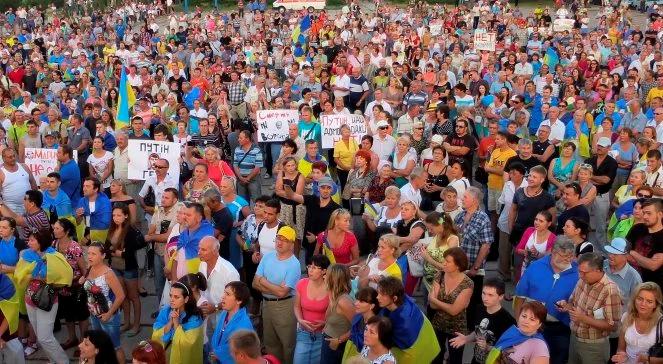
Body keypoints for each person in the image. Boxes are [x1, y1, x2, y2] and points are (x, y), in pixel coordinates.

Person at [515, 238, 579, 364]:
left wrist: (569, 305)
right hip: (533, 325)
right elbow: (520, 296)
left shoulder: (578, 273)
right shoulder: (535, 266)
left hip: (561, 328)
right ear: (553, 253)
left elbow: (582, 302)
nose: (568, 259)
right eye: (564, 256)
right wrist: (519, 322)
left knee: (557, 359)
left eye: (571, 256)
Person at [14, 229, 72, 364]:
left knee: (45, 337)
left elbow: (64, 276)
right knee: (41, 337)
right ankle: (52, 361)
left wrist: (37, 276)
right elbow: (19, 275)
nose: (29, 243)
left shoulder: (55, 256)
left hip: (47, 301)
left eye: (33, 240)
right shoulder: (26, 255)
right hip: (30, 299)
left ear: (41, 241)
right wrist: (39, 276)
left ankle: (63, 362)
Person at [558, 252, 622, 364]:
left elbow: (613, 325)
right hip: (574, 339)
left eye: (584, 273)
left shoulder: (610, 291)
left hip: (594, 347)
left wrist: (583, 318)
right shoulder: (582, 281)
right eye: (579, 271)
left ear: (598, 270)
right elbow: (573, 304)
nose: (580, 275)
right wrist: (566, 306)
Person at [252, 225, 301, 364]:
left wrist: (264, 282)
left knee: (287, 344)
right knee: (270, 343)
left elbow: (282, 292)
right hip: (267, 304)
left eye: (284, 240)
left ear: (292, 244)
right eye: (278, 238)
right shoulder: (267, 257)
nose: (279, 242)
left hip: (285, 306)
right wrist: (275, 288)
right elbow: (255, 283)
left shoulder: (294, 264)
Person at [449, 278, 516, 364]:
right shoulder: (479, 309)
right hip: (476, 359)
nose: (485, 298)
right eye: (483, 293)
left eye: (490, 295)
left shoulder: (508, 321)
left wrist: (488, 347)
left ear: (501, 297)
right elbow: (478, 331)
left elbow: (511, 350)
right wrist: (466, 338)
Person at [375, 276, 440, 364]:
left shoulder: (404, 323)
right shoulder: (400, 297)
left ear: (394, 298)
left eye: (382, 294)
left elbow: (391, 343)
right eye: (378, 293)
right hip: (428, 341)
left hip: (418, 351)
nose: (377, 297)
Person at [454, 186, 493, 328]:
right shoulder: (460, 215)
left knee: (474, 300)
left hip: (473, 269)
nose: (461, 200)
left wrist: (475, 267)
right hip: (458, 267)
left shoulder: (483, 218)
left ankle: (472, 328)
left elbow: (486, 245)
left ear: (475, 200)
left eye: (465, 197)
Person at [82, 242, 126, 364]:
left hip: (109, 315)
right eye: (88, 253)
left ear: (103, 256)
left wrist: (108, 314)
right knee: (98, 345)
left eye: (94, 254)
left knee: (115, 346)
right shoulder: (89, 268)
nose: (89, 256)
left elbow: (121, 296)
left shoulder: (108, 274)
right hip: (94, 314)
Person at [428, 247, 473, 364]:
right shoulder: (440, 275)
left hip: (457, 329)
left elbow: (453, 311)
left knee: (455, 360)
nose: (444, 263)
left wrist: (434, 299)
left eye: (448, 261)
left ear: (458, 265)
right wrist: (452, 306)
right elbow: (432, 305)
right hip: (438, 324)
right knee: (435, 357)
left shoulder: (468, 284)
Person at [106, 203, 145, 336]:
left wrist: (118, 253)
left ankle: (136, 324)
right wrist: (117, 252)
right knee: (122, 297)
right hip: (116, 267)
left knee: (133, 296)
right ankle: (127, 322)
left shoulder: (131, 231)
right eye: (114, 215)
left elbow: (129, 252)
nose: (116, 218)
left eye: (119, 215)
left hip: (129, 268)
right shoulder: (112, 229)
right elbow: (107, 248)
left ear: (126, 216)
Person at [284, 176, 341, 263]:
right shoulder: (312, 200)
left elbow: (337, 231)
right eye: (323, 187)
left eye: (328, 188)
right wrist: (287, 185)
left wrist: (317, 238)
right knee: (310, 270)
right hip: (309, 245)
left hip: (326, 248)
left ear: (332, 189)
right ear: (318, 188)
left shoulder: (337, 209)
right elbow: (292, 195)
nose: (325, 190)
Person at [52, 218, 88, 350]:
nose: (54, 230)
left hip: (75, 287)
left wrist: (79, 281)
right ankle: (72, 338)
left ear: (66, 231)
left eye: (57, 228)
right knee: (68, 315)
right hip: (61, 288)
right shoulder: (54, 244)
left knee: (82, 316)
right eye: (54, 228)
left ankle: (84, 343)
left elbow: (84, 270)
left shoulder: (74, 247)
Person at [152, 281, 204, 364]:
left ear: (186, 299)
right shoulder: (165, 310)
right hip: (166, 353)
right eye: (171, 296)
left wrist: (176, 323)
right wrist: (170, 322)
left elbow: (187, 345)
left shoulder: (195, 318)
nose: (172, 300)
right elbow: (156, 334)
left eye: (176, 297)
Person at [611, 282, 662, 364]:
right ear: (634, 299)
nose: (643, 304)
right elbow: (621, 348)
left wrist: (648, 359)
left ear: (656, 304)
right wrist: (621, 355)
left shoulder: (661, 323)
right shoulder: (626, 316)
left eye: (649, 301)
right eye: (640, 299)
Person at [293, 254, 330, 364]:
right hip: (304, 332)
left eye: (314, 267)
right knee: (298, 361)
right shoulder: (301, 283)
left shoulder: (330, 288)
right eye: (309, 266)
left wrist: (325, 323)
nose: (310, 270)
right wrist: (300, 320)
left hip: (323, 335)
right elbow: (296, 306)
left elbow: (335, 312)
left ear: (324, 271)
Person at [210, 281, 255, 364]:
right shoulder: (225, 313)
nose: (223, 297)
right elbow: (217, 334)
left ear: (239, 300)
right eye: (224, 293)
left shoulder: (244, 326)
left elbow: (240, 352)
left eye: (228, 294)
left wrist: (220, 354)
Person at [585, 137, 618, 246]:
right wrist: (596, 179)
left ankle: (601, 246)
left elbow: (606, 180)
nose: (599, 148)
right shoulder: (589, 160)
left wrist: (591, 177)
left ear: (608, 148)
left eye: (602, 146)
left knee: (601, 223)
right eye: (598, 145)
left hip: (601, 195)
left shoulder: (612, 162)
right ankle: (584, 243)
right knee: (584, 219)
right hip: (587, 194)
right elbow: (583, 177)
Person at [626, 198, 663, 290]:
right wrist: (645, 261)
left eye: (649, 213)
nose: (645, 216)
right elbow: (622, 251)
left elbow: (653, 266)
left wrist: (632, 253)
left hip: (651, 287)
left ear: (660, 214)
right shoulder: (637, 228)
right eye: (644, 213)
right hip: (629, 281)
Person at [320, 264, 354, 364]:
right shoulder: (334, 297)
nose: (323, 276)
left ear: (333, 279)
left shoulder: (343, 301)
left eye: (327, 275)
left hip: (336, 345)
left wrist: (339, 340)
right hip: (328, 341)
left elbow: (358, 326)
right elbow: (327, 318)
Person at [173, 202, 214, 280]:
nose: (184, 217)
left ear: (199, 218)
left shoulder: (207, 236)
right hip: (180, 283)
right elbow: (176, 257)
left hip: (197, 282)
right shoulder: (184, 233)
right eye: (184, 214)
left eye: (188, 215)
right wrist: (174, 279)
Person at [421, 212, 459, 294]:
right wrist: (427, 246)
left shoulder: (452, 239)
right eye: (428, 229)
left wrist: (428, 259)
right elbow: (437, 248)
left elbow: (449, 268)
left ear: (440, 225)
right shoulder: (437, 235)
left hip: (441, 286)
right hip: (428, 282)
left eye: (431, 228)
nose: (430, 231)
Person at [515, 211, 556, 281]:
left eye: (541, 221)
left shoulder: (553, 238)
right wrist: (525, 252)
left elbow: (551, 259)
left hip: (541, 272)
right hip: (525, 269)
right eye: (536, 219)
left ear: (549, 224)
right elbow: (517, 249)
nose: (536, 222)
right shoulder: (529, 230)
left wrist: (537, 254)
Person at [0, 148, 36, 216]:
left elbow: (33, 183)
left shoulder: (24, 166)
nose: (13, 158)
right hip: (11, 208)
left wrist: (36, 199)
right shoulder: (1, 172)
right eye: (10, 157)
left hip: (29, 205)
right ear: (4, 158)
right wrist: (2, 209)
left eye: (14, 156)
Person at [76, 177, 112, 245]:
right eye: (84, 186)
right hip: (87, 231)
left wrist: (87, 237)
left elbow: (105, 224)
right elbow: (78, 222)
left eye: (88, 186)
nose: (84, 189)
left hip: (101, 234)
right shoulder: (82, 201)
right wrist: (78, 216)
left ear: (95, 189)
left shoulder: (105, 202)